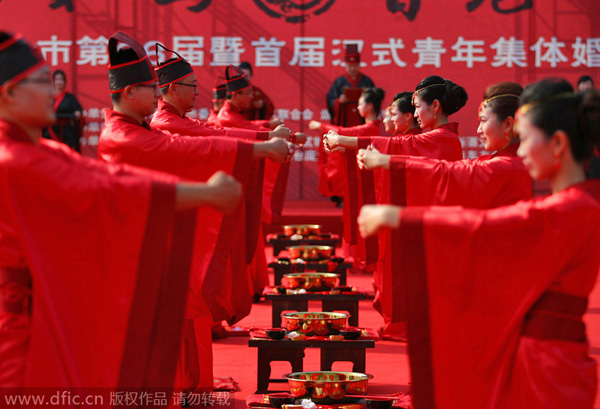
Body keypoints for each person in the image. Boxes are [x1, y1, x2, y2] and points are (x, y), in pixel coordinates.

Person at [0, 31, 242, 391]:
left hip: (47, 313)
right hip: (21, 333)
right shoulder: (13, 160)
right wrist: (203, 193)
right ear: (8, 94)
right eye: (39, 82)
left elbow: (102, 175)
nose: (53, 91)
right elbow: (104, 187)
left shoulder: (39, 151)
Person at [357, 78, 600, 408]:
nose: (523, 149)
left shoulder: (572, 207)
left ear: (557, 144)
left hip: (547, 361)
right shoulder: (575, 202)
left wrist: (401, 218)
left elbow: (484, 224)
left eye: (527, 140)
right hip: (538, 349)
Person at [97, 32, 290, 393]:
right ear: (128, 93)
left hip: (162, 243)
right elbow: (192, 150)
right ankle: (188, 386)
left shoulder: (136, 128)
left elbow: (208, 136)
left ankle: (190, 385)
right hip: (141, 255)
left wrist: (263, 143)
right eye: (151, 88)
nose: (157, 95)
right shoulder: (126, 135)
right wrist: (260, 151)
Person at [358, 82, 532, 341]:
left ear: (508, 125)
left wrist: (386, 162)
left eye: (484, 121)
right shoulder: (498, 161)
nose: (478, 130)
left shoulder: (508, 167)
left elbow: (445, 173)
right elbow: (444, 168)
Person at [312, 87, 385, 206]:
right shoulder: (370, 127)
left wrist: (322, 127)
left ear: (370, 106)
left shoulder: (369, 128)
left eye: (360, 104)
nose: (357, 107)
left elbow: (345, 132)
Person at [326, 43, 375, 128]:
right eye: (350, 66)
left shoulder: (367, 81)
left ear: (359, 64)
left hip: (362, 120)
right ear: (345, 65)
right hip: (344, 120)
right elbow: (330, 100)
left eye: (355, 65)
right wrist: (338, 101)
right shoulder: (339, 82)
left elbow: (375, 100)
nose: (352, 68)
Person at [41, 69, 83, 152]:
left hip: (66, 133)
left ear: (65, 82)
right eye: (57, 80)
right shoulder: (47, 97)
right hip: (50, 132)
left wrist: (78, 113)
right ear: (53, 81)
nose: (59, 82)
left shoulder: (70, 98)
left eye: (61, 80)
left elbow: (78, 111)